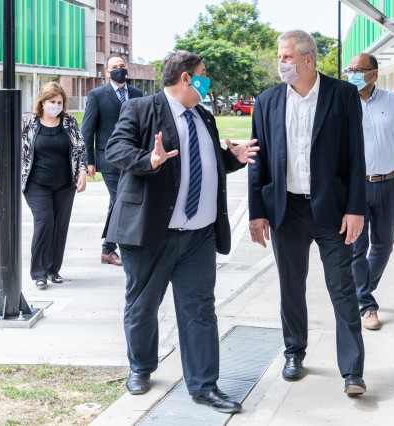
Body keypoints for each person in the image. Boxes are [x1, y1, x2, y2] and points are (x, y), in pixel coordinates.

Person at [105, 50, 258, 414]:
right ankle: (141, 368)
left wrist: (232, 159)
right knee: (142, 307)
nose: (208, 80)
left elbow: (203, 162)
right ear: (187, 78)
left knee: (200, 310)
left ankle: (205, 386)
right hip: (150, 233)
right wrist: (149, 159)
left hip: (199, 236)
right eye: (203, 74)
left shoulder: (204, 116)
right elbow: (115, 149)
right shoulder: (141, 109)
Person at [248, 30, 368, 397]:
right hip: (287, 209)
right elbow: (258, 160)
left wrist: (355, 209)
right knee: (291, 286)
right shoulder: (267, 101)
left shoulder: (342, 95)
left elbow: (356, 155)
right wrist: (257, 212)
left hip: (332, 210)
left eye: (286, 57)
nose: (281, 63)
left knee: (342, 288)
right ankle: (294, 353)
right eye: (279, 57)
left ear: (308, 59)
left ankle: (352, 371)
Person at [345, 53, 394, 331]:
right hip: (354, 187)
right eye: (350, 70)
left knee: (384, 245)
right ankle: (366, 304)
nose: (352, 74)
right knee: (357, 248)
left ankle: (360, 289)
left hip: (388, 184)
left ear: (374, 73)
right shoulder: (343, 103)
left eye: (358, 70)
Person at [21, 82, 88, 289]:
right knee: (45, 222)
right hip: (36, 184)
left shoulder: (69, 122)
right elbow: (18, 151)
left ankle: (53, 269)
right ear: (42, 102)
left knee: (59, 226)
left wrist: (82, 172)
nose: (56, 106)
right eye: (52, 101)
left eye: (59, 102)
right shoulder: (29, 123)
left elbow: (80, 148)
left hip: (65, 184)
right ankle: (39, 272)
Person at [81, 55, 144, 267]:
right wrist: (89, 161)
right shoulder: (97, 95)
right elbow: (87, 131)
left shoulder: (137, 94)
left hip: (133, 158)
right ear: (107, 72)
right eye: (114, 67)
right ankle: (115, 248)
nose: (119, 69)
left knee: (117, 202)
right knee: (123, 200)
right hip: (108, 159)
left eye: (122, 66)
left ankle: (108, 249)